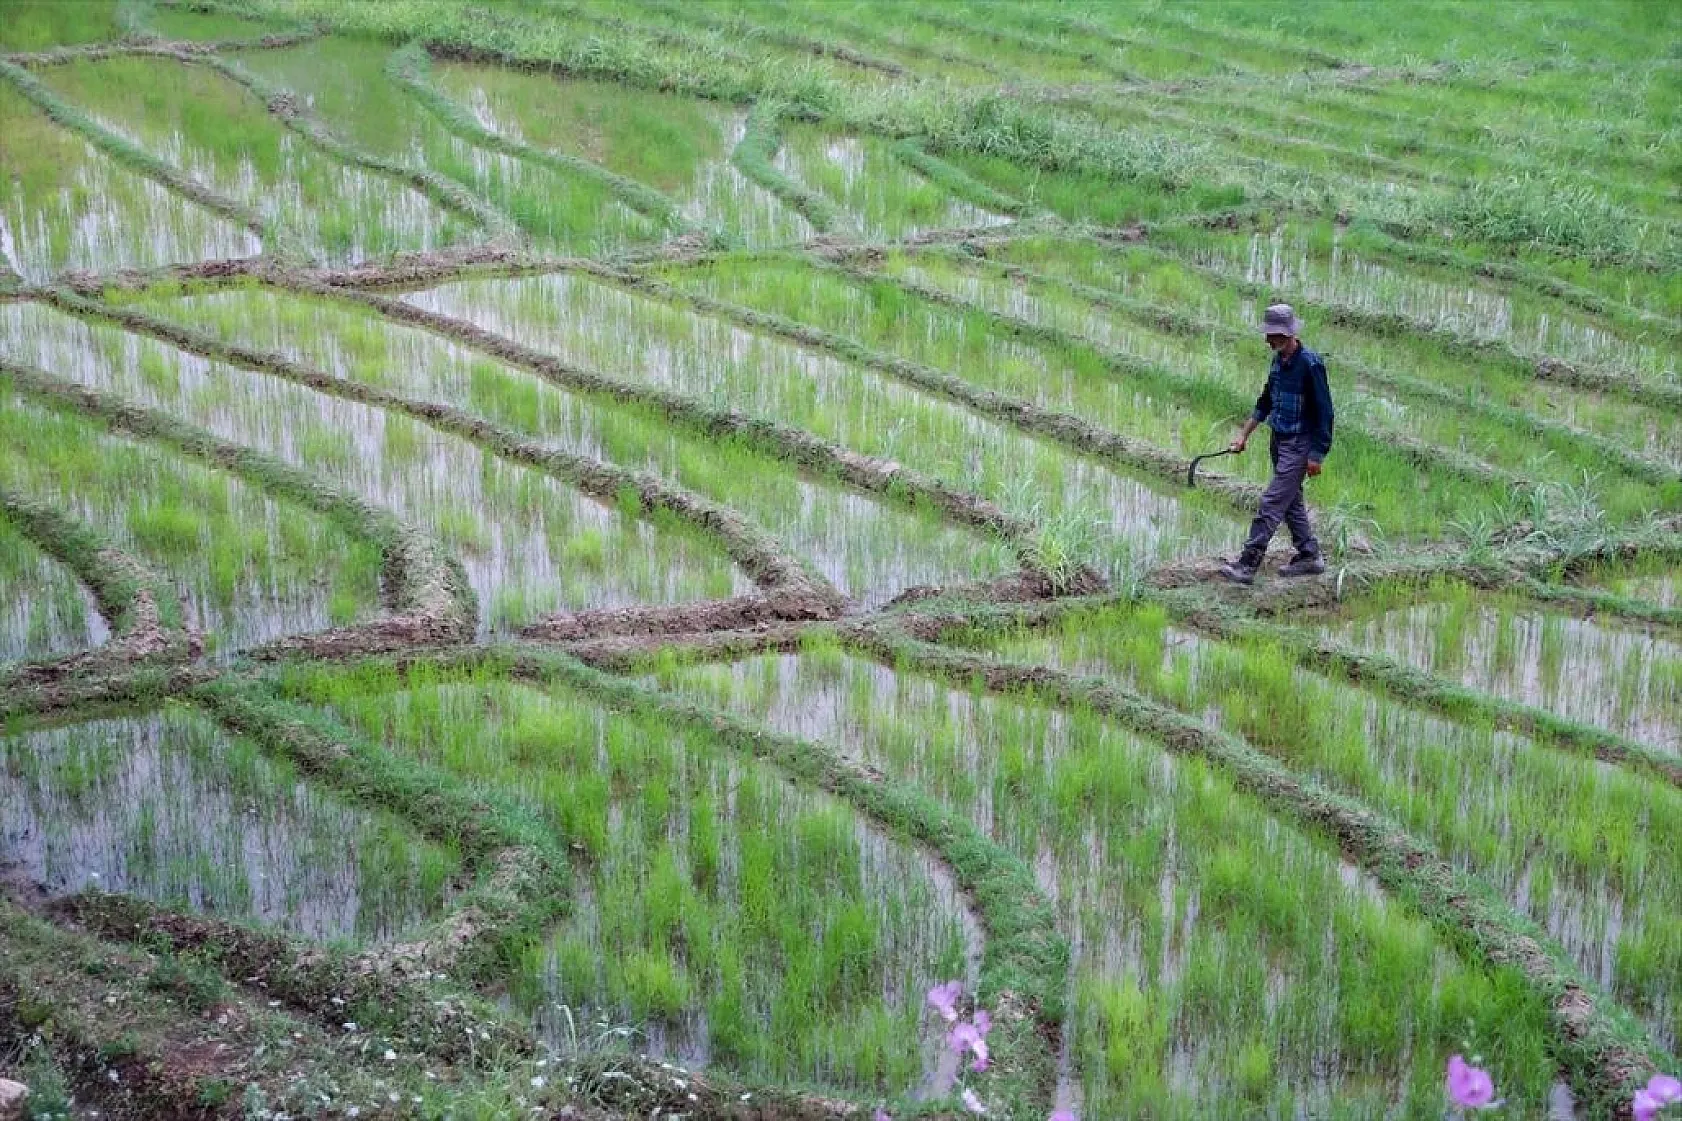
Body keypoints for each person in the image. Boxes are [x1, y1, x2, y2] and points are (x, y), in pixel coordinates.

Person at [1218, 303, 1334, 585]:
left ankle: (1247, 565)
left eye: (1271, 335)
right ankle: (1310, 555)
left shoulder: (1310, 364)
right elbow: (1266, 401)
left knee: (1271, 502)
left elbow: (1325, 412)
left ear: (1286, 334)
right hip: (1279, 440)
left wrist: (1317, 454)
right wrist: (1244, 435)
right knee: (1290, 502)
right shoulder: (1278, 361)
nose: (1267, 340)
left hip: (1299, 443)